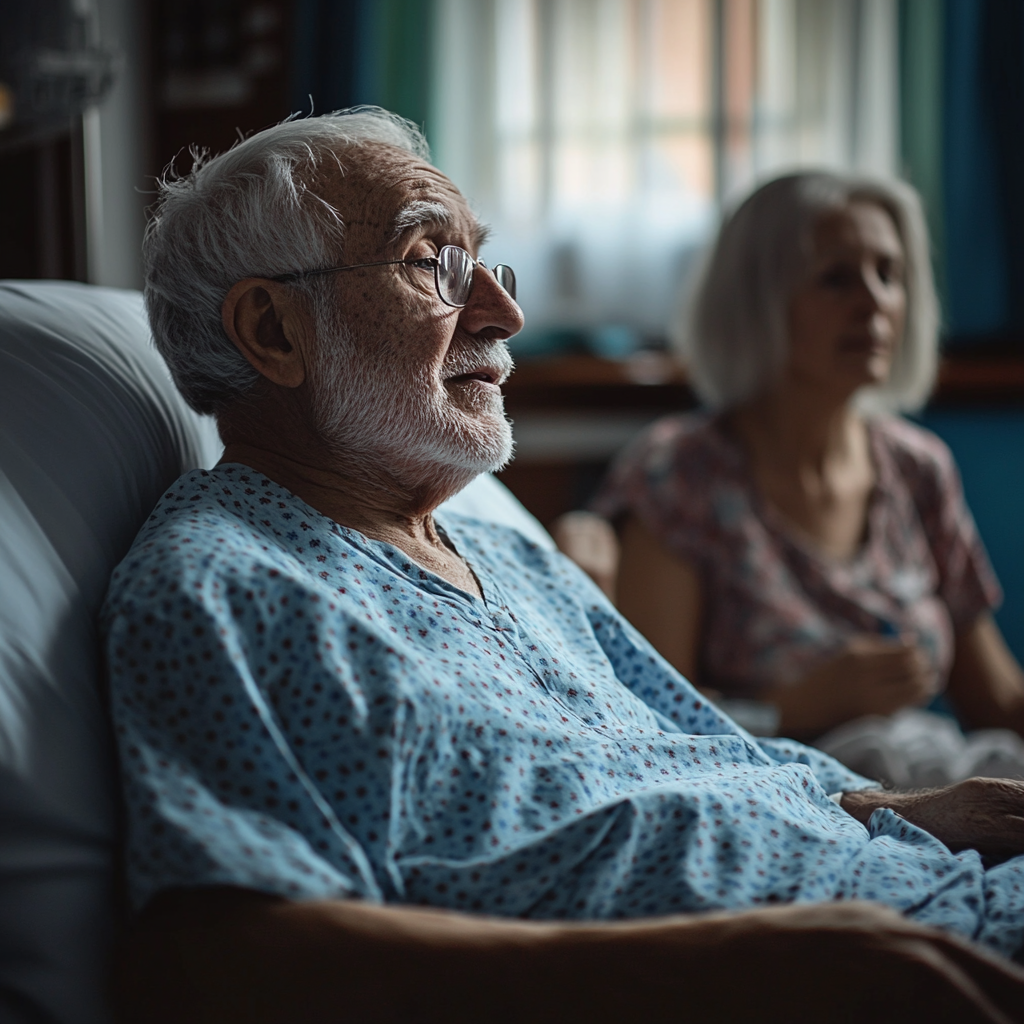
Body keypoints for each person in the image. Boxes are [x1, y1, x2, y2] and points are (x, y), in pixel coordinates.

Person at [102, 111, 1024, 1023]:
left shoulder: (510, 559)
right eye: (433, 263)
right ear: (273, 330)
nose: (505, 313)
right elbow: (218, 958)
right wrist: (725, 964)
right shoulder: (224, 587)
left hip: (934, 888)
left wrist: (914, 808)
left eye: (486, 264)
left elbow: (708, 758)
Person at [594, 171, 1024, 787]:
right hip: (780, 800)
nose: (874, 301)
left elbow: (999, 702)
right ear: (758, 300)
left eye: (889, 274)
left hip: (932, 779)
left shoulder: (918, 468)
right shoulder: (678, 475)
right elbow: (649, 720)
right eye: (835, 277)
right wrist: (795, 706)